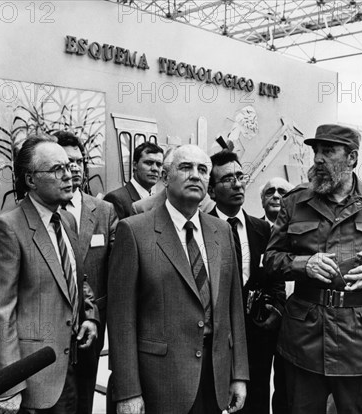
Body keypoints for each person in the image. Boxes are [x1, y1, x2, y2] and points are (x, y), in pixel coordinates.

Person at [264, 124, 362, 414]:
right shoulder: (295, 202)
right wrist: (302, 264)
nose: (318, 159)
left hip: (360, 342)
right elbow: (270, 259)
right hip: (305, 341)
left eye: (328, 151)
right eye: (315, 151)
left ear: (352, 158)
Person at [107, 144, 249, 414]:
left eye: (202, 170)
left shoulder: (222, 231)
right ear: (164, 177)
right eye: (185, 167)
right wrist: (128, 392)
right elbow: (121, 319)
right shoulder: (135, 232)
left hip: (215, 375)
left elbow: (233, 309)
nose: (195, 175)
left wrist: (239, 373)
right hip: (160, 380)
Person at [0, 135, 99, 413]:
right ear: (31, 180)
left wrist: (90, 316)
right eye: (58, 170)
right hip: (33, 381)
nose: (69, 176)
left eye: (70, 167)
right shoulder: (7, 229)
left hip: (72, 370)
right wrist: (7, 387)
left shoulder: (66, 220)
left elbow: (77, 279)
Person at [207, 150, 286, 414]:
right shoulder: (201, 229)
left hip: (256, 341)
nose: (237, 183)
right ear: (211, 190)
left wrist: (275, 310)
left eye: (240, 176)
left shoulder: (262, 230)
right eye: (227, 179)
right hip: (214, 340)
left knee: (256, 405)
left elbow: (276, 279)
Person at [54, 131, 117, 414]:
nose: (75, 168)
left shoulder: (104, 211)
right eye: (67, 162)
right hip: (55, 320)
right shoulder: (47, 210)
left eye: (79, 161)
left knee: (86, 393)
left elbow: (117, 266)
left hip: (94, 320)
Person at [259, 176, 294, 414]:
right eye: (270, 191)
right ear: (262, 200)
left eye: (282, 191)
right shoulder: (250, 229)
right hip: (260, 322)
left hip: (293, 322)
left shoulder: (301, 234)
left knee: (286, 387)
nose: (276, 195)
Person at [103, 142, 164, 219]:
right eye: (149, 163)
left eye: (159, 164)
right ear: (135, 165)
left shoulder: (158, 201)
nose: (155, 169)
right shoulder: (116, 199)